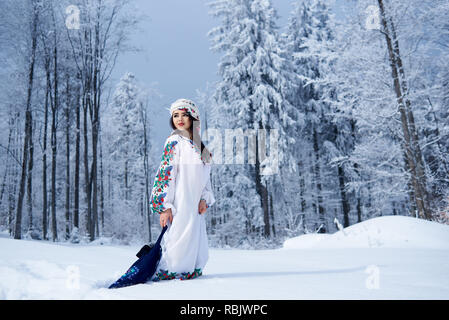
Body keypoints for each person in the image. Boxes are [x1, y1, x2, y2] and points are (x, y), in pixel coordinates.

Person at [150, 98, 215, 281]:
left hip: (195, 204)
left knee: (194, 237)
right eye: (175, 115)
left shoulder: (200, 146)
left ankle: (189, 270)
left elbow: (205, 178)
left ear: (193, 117)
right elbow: (165, 173)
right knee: (178, 236)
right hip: (180, 200)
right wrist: (164, 206)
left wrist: (205, 198)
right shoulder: (174, 141)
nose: (179, 119)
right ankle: (171, 272)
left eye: (184, 114)